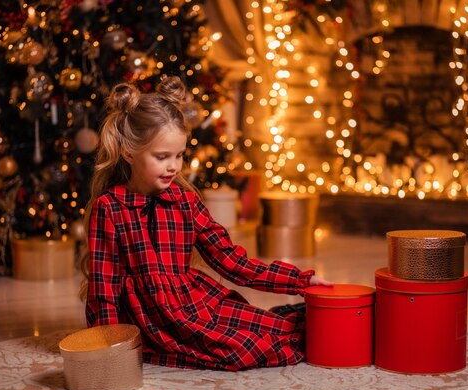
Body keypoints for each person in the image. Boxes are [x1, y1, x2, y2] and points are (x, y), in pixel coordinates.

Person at [80, 75, 332, 371]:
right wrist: (111, 344)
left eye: (180, 155)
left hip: (193, 302)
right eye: (162, 157)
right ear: (128, 152)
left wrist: (300, 281)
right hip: (150, 319)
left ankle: (289, 311)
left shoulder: (185, 201)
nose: (173, 166)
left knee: (280, 331)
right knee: (242, 351)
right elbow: (104, 286)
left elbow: (232, 261)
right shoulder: (109, 208)